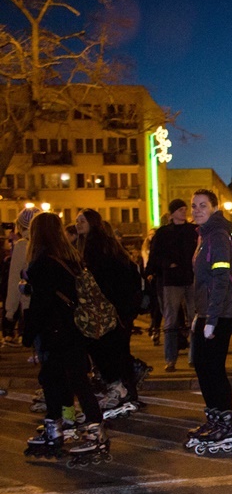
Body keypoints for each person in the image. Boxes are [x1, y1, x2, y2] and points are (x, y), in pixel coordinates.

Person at [22, 212, 110, 464]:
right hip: (74, 329)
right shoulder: (70, 257)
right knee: (64, 379)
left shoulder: (41, 263)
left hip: (56, 331)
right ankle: (75, 427)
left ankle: (70, 429)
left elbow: (41, 303)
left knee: (59, 380)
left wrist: (28, 336)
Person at [185, 189, 232, 454]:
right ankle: (215, 418)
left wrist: (211, 318)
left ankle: (227, 423)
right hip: (207, 312)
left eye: (202, 205)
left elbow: (221, 279)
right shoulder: (204, 236)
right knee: (202, 366)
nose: (197, 210)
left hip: (220, 313)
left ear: (214, 208)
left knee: (213, 368)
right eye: (194, 206)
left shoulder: (217, 236)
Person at [78, 210, 144, 417]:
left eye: (82, 220)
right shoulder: (106, 245)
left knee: (105, 348)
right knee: (118, 349)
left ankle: (120, 388)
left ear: (92, 223)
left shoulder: (94, 247)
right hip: (119, 308)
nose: (78, 223)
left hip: (109, 308)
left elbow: (100, 280)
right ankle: (127, 388)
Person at [146, 198, 198, 372]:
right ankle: (170, 359)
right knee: (171, 321)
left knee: (195, 320)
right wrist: (166, 265)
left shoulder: (193, 231)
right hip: (172, 280)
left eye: (185, 209)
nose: (184, 212)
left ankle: (194, 357)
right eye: (180, 209)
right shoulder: (163, 233)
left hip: (191, 279)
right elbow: (155, 255)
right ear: (172, 212)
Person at [5, 207, 39, 340]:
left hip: (30, 302)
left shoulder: (22, 246)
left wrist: (10, 310)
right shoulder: (52, 243)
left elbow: (14, 279)